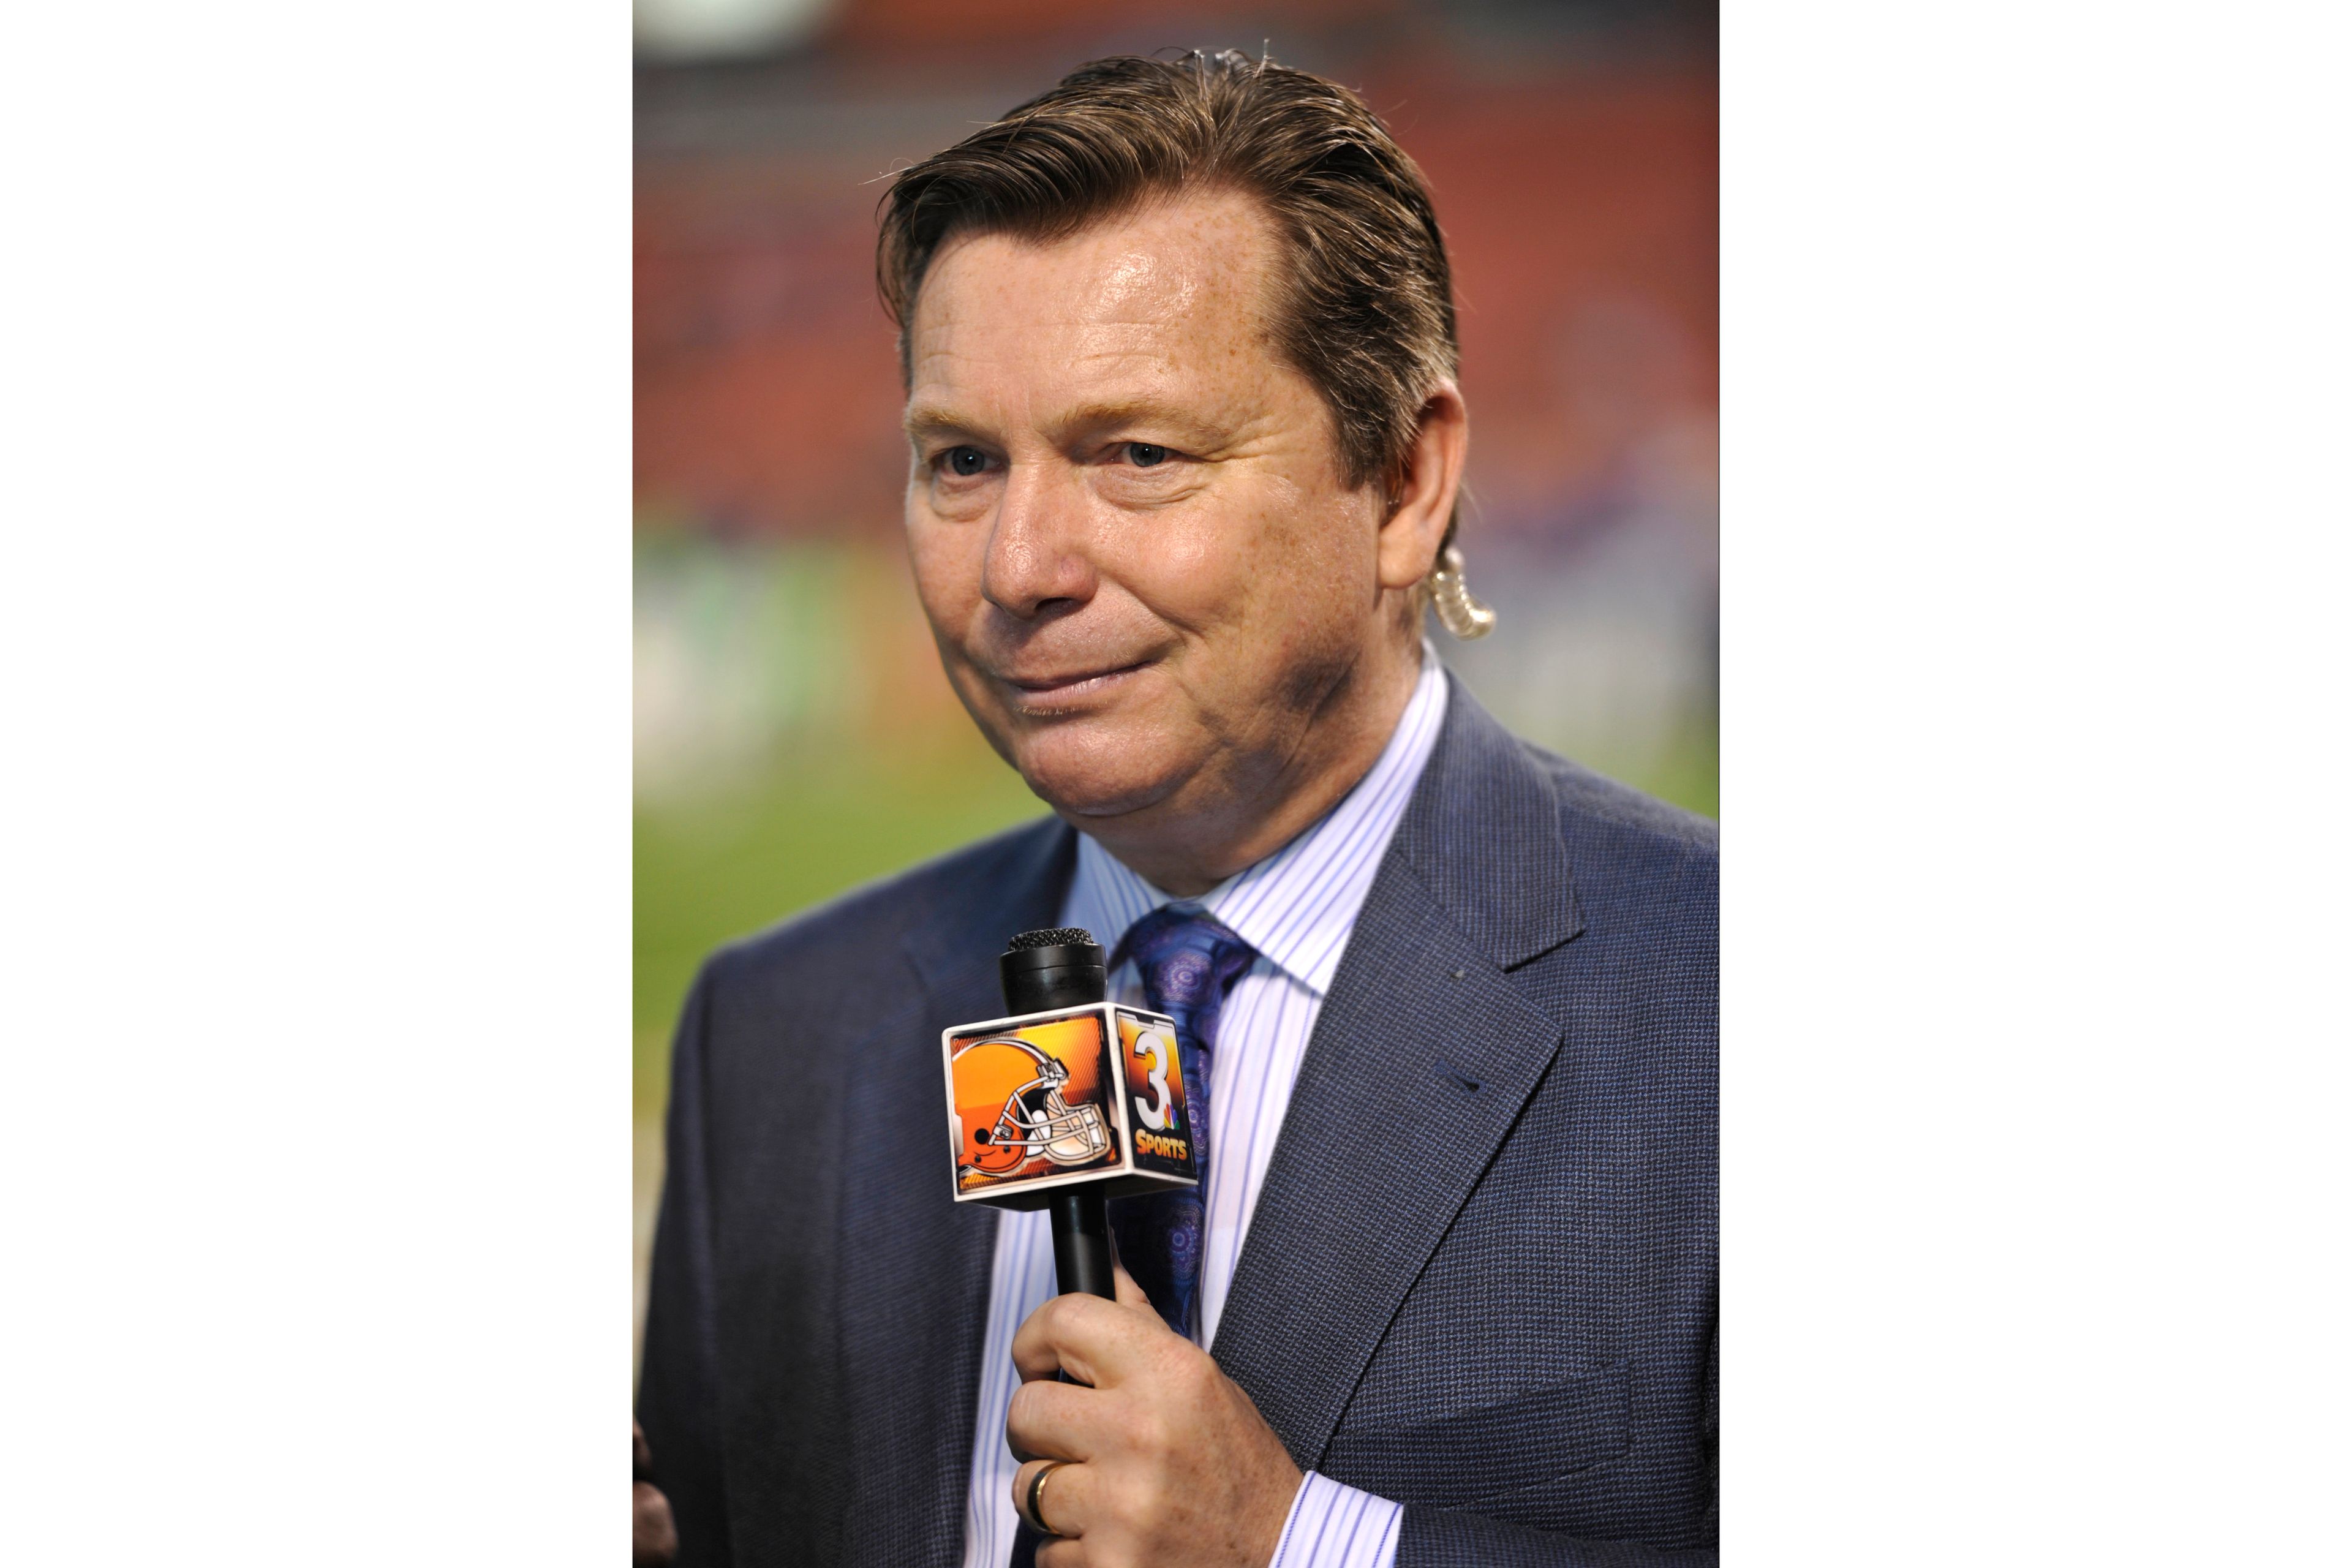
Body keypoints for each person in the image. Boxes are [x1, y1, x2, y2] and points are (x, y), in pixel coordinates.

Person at [636, 50, 1716, 1568]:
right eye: (960, 461)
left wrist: (1299, 1544)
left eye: (1134, 455)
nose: (1020, 564)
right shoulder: (775, 1035)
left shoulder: (1719, 1000)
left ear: (1404, 483)